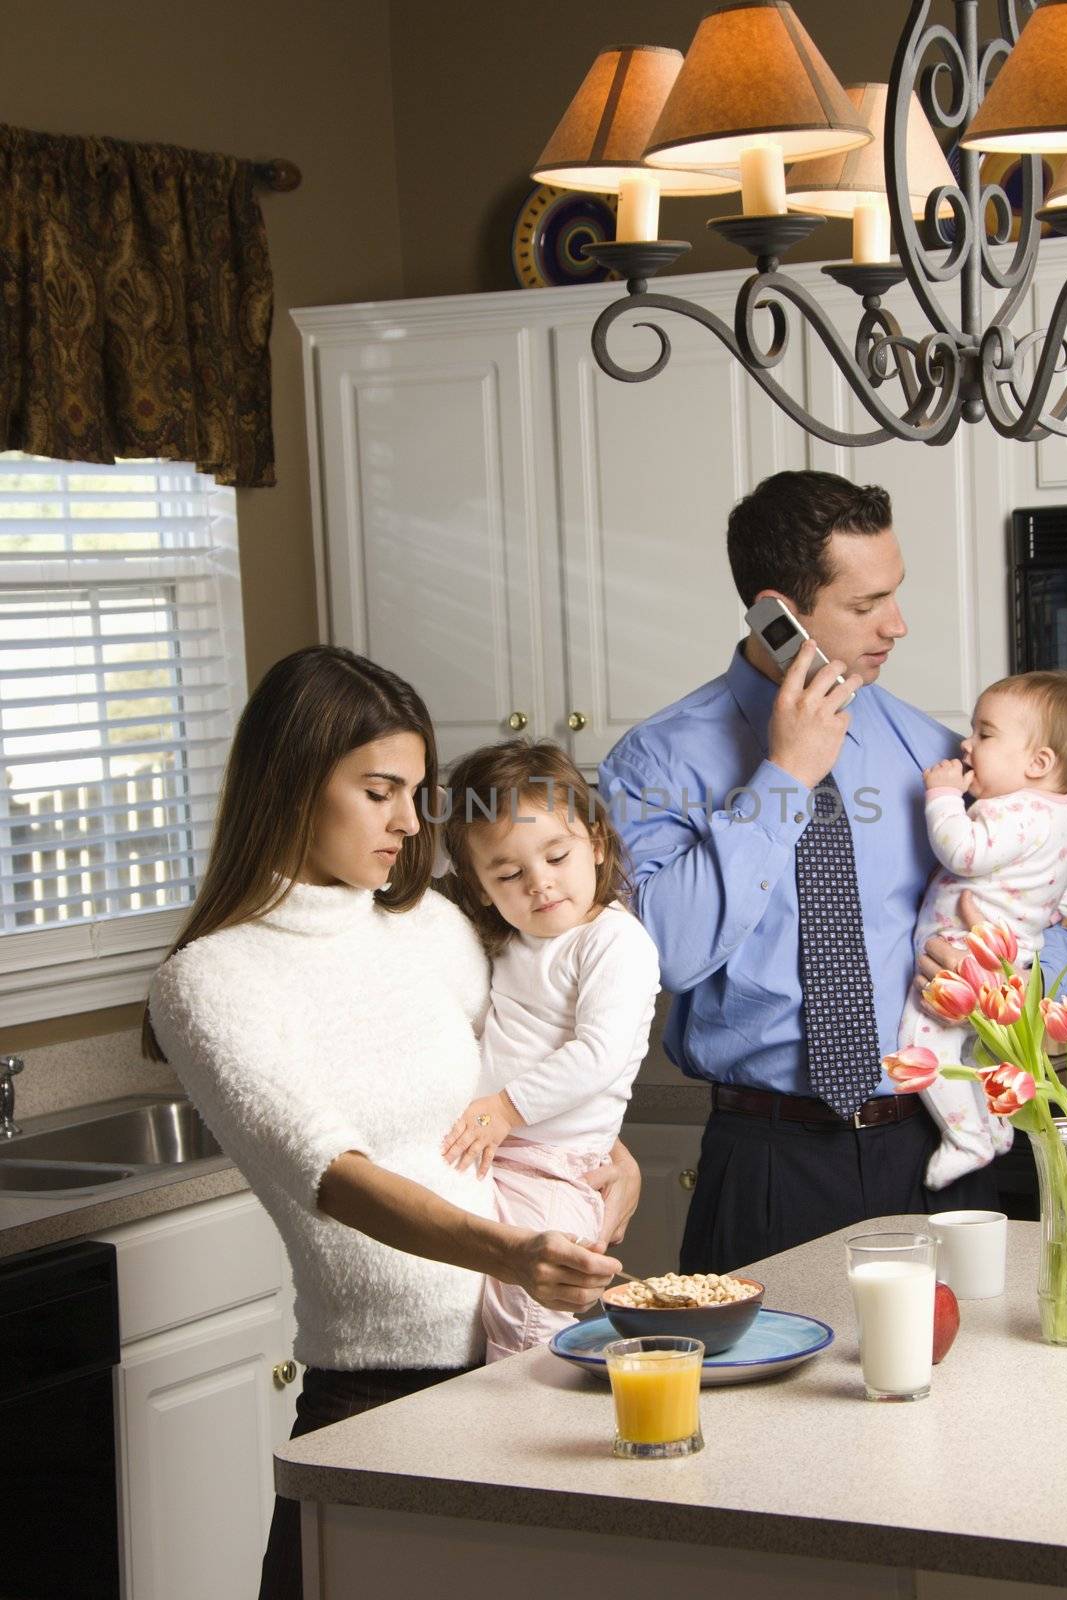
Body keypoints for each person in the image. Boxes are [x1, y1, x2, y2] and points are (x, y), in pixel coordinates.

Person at [143, 647, 638, 1600]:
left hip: (525, 1363)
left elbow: (513, 1086)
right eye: (380, 791)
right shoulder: (210, 980)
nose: (412, 823)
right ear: (293, 783)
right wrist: (511, 1251)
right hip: (379, 1391)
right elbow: (334, 1176)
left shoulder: (434, 928)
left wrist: (613, 1163)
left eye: (415, 792)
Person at [598, 471, 1067, 1275]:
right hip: (765, 1161)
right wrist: (783, 777)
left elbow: (1050, 936)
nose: (897, 624)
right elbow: (667, 956)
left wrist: (1006, 972)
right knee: (758, 1400)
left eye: (893, 594)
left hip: (937, 1144)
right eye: (864, 606)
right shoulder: (654, 761)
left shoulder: (936, 756)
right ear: (777, 613)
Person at [436, 739, 660, 1360]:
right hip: (500, 1154)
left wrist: (503, 1108)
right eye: (508, 874)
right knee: (475, 1299)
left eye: (556, 855)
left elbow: (601, 1052)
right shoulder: (509, 941)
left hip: (559, 1167)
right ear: (480, 889)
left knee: (528, 1314)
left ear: (595, 842)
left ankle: (522, 1426)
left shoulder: (614, 941)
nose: (539, 883)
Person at [903, 669, 1067, 1189]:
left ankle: (967, 1140)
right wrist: (1046, 909)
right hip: (1013, 954)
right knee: (977, 1053)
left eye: (985, 733)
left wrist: (944, 796)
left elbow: (963, 851)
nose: (965, 742)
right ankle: (996, 1129)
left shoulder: (1013, 811)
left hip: (964, 952)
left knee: (923, 1044)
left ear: (1038, 762)